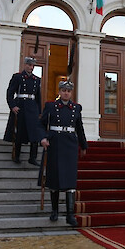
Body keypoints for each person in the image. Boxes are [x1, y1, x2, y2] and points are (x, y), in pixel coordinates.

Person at [39, 80, 87, 226]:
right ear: (59, 91)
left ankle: (70, 215)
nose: (66, 93)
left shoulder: (76, 108)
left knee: (70, 180)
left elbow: (79, 127)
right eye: (63, 90)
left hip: (70, 144)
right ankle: (54, 211)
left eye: (68, 90)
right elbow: (40, 124)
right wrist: (42, 138)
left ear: (71, 93)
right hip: (55, 143)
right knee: (54, 178)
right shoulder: (51, 106)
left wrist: (83, 145)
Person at [3, 57, 43, 165]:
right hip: (21, 106)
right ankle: (16, 156)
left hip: (32, 107)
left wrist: (39, 112)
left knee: (34, 133)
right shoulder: (18, 77)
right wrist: (13, 106)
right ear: (25, 65)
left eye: (32, 66)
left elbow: (38, 97)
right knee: (19, 132)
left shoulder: (36, 79)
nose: (31, 67)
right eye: (29, 65)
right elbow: (10, 93)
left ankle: (33, 157)